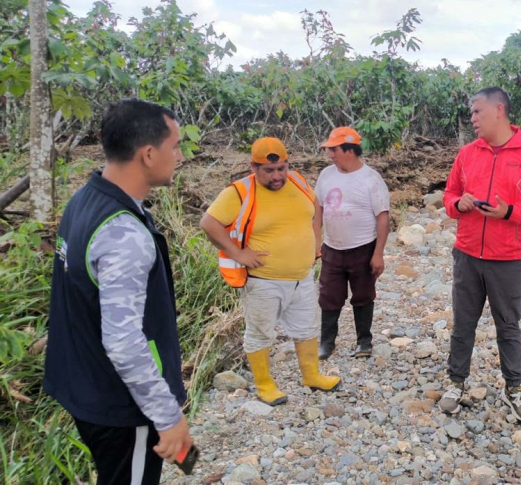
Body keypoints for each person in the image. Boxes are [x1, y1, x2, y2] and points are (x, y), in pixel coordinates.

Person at [44, 99, 192, 483]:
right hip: (122, 407)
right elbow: (124, 342)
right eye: (174, 146)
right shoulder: (123, 233)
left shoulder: (85, 200)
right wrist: (167, 416)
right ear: (147, 154)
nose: (179, 155)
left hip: (84, 386)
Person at [439, 87, 521, 421]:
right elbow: (450, 194)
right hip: (467, 253)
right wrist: (456, 205)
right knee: (463, 322)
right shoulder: (467, 154)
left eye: (477, 111)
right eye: (472, 112)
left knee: (508, 325)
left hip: (509, 257)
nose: (472, 118)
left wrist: (509, 212)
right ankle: (456, 381)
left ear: (498, 110)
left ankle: (514, 387)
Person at [200, 137, 340, 405]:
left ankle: (311, 375)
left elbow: (313, 211)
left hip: (302, 277)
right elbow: (209, 224)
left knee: (307, 328)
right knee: (260, 332)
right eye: (269, 170)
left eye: (282, 169)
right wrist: (238, 253)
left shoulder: (298, 181)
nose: (277, 176)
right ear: (254, 167)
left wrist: (315, 241)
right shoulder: (239, 192)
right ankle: (264, 385)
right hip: (263, 281)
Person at [313, 127, 390, 360]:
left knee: (363, 294)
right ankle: (326, 342)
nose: (330, 155)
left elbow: (383, 217)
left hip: (362, 247)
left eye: (334, 149)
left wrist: (378, 254)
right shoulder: (326, 175)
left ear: (350, 150)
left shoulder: (370, 179)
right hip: (332, 247)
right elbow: (318, 209)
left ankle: (364, 341)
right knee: (328, 295)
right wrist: (316, 243)